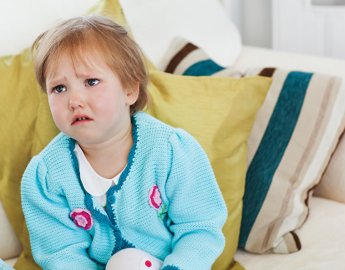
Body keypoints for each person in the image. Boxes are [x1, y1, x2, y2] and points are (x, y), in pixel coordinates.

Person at [21, 15, 227, 270]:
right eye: (59, 88)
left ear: (130, 89)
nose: (74, 100)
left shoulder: (171, 150)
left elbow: (199, 229)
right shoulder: (45, 176)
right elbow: (61, 253)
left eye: (91, 82)